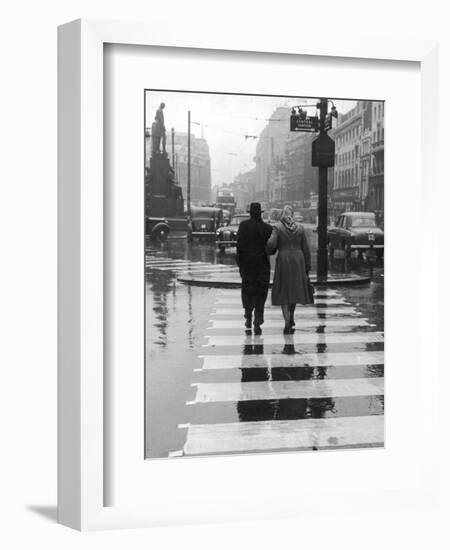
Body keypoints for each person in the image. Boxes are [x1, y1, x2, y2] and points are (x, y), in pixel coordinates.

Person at [266, 204, 313, 334]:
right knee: (294, 290)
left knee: (284, 291)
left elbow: (271, 244)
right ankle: (292, 317)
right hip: (298, 260)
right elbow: (306, 249)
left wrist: (268, 250)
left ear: (282, 215)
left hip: (284, 260)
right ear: (292, 215)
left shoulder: (278, 227)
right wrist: (307, 267)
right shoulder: (300, 228)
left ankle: (286, 320)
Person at [236, 203, 273, 335]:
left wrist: (240, 264)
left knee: (247, 291)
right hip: (262, 265)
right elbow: (272, 248)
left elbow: (239, 246)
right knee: (261, 292)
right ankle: (258, 318)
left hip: (247, 265)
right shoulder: (267, 228)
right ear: (260, 213)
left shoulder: (243, 226)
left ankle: (248, 315)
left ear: (250, 213)